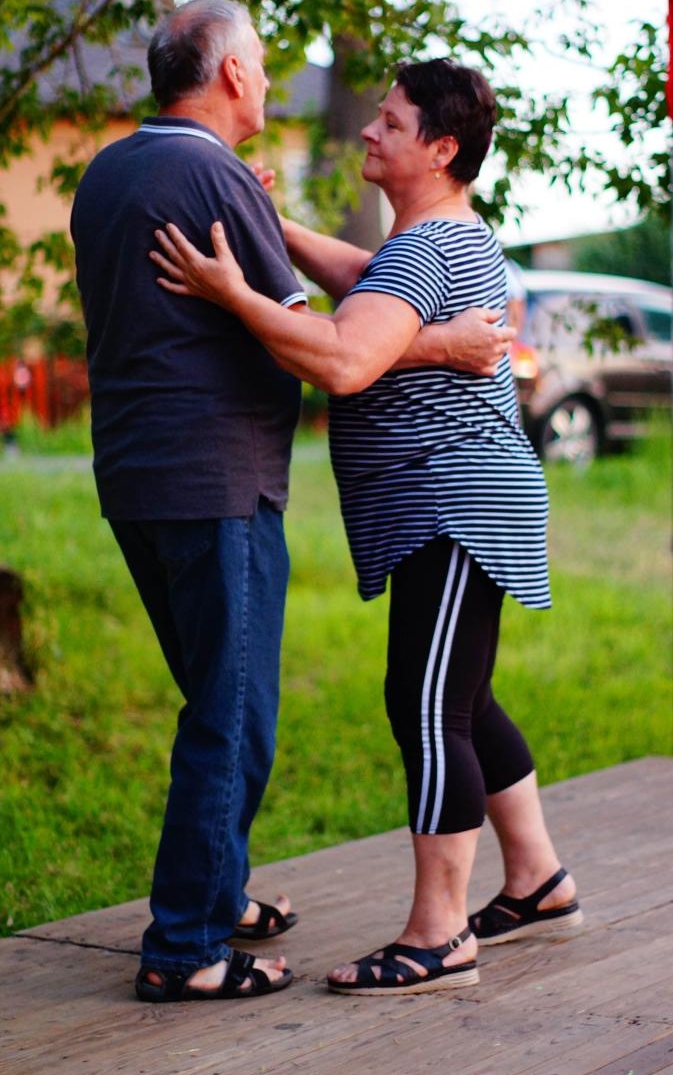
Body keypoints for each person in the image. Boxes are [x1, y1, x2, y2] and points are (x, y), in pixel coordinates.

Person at [70, 0, 513, 1004]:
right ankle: (187, 946)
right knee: (234, 718)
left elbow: (367, 291)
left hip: (135, 474)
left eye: (389, 120)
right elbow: (337, 351)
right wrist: (441, 344)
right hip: (218, 480)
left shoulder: (111, 170)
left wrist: (273, 236)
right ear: (230, 75)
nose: (271, 81)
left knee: (225, 702)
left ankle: (218, 895)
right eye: (264, 65)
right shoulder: (215, 174)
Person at [151, 56, 583, 997]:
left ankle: (439, 935)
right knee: (463, 697)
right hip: (449, 500)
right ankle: (537, 880)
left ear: (441, 148)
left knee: (427, 706)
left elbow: (346, 360)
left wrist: (232, 293)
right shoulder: (429, 240)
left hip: (453, 502)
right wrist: (272, 226)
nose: (369, 130)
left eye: (389, 122)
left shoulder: (428, 248)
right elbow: (368, 284)